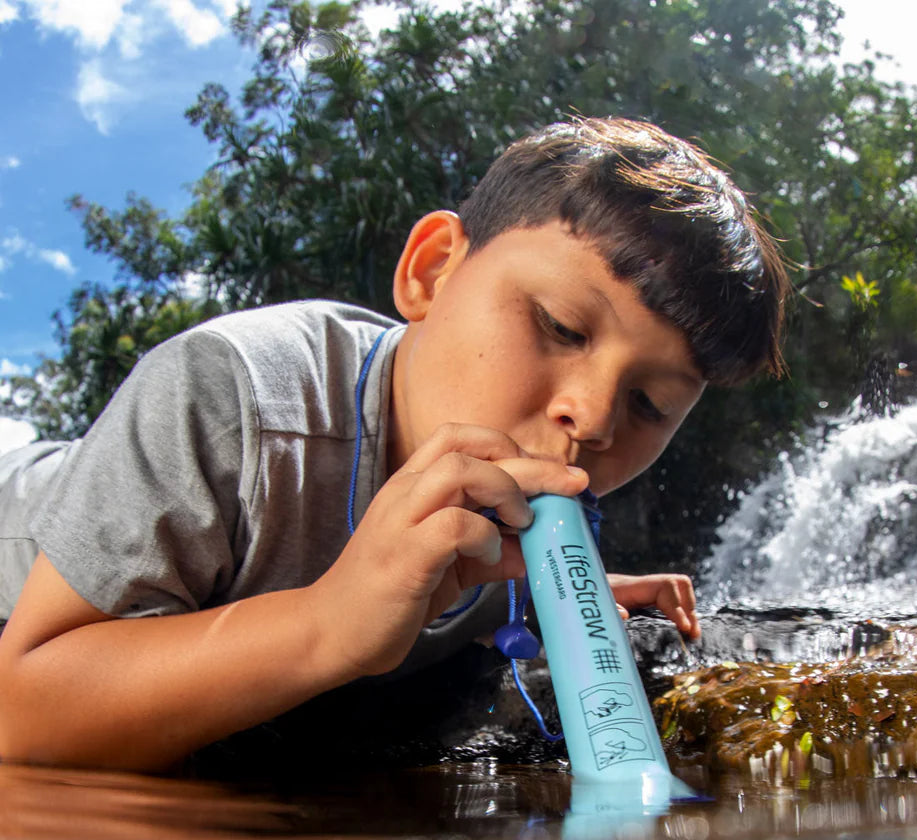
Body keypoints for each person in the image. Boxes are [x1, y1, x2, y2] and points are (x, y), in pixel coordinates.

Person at [0, 117, 787, 773]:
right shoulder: (235, 400)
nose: (593, 417)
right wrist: (324, 625)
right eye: (560, 327)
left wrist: (574, 592)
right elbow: (21, 717)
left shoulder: (523, 494)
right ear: (432, 271)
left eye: (649, 404)